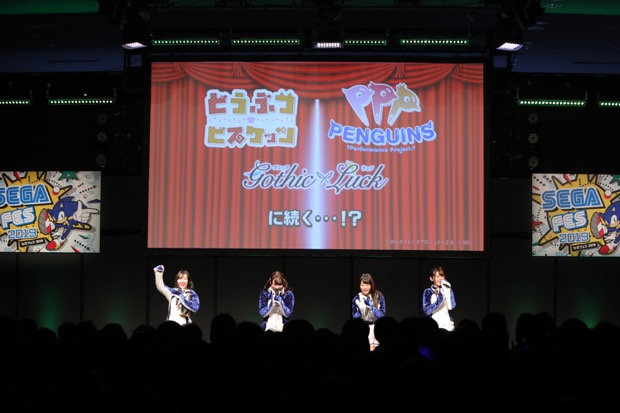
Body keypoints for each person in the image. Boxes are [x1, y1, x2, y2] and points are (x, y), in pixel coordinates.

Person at [352, 273, 386, 350]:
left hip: (376, 329)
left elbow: (382, 315)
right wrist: (360, 311)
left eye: (367, 285)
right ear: (359, 286)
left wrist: (371, 306)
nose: (365, 288)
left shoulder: (379, 296)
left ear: (371, 285)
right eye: (362, 285)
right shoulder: (356, 299)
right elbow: (354, 318)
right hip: (363, 329)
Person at [422, 266, 456, 331]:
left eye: (442, 276)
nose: (440, 278)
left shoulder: (448, 289)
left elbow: (451, 307)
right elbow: (427, 311)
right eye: (437, 277)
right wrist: (440, 296)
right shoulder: (428, 291)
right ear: (431, 278)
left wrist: (447, 291)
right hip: (434, 325)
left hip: (448, 324)